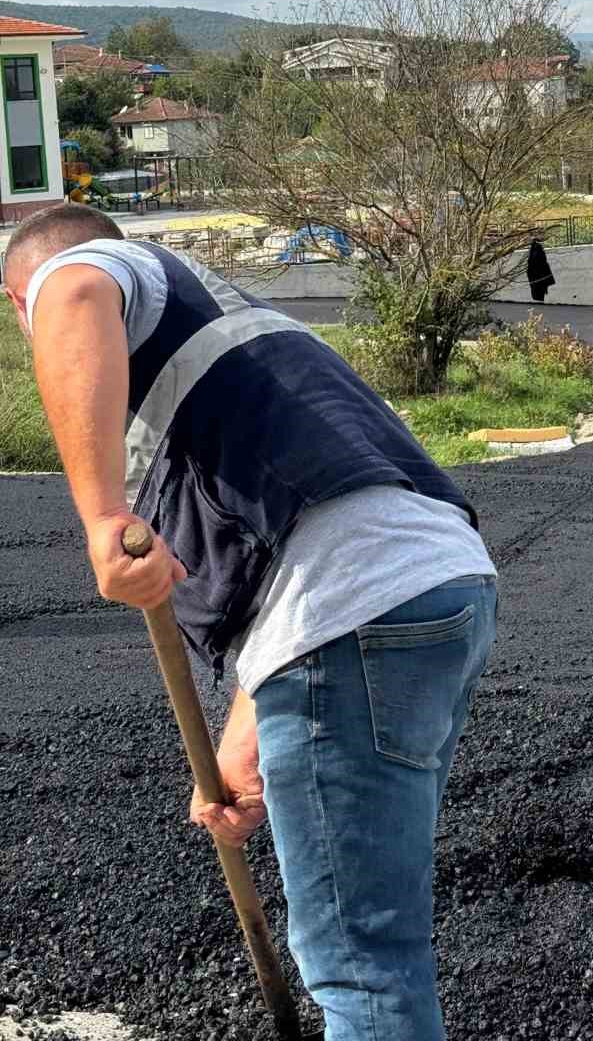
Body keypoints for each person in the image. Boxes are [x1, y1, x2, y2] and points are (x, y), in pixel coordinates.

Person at [2, 205, 496, 1041]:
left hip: (355, 613)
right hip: (437, 591)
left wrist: (102, 516)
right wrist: (247, 732)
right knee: (377, 945)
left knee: (360, 966)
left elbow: (71, 287)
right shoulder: (237, 339)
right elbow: (304, 533)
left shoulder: (105, 272)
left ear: (16, 304)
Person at [527, 236, 555, 303]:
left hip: (537, 273)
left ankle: (539, 299)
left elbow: (534, 261)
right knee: (539, 287)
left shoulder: (536, 249)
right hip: (538, 273)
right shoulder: (536, 249)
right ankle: (539, 299)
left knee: (538, 287)